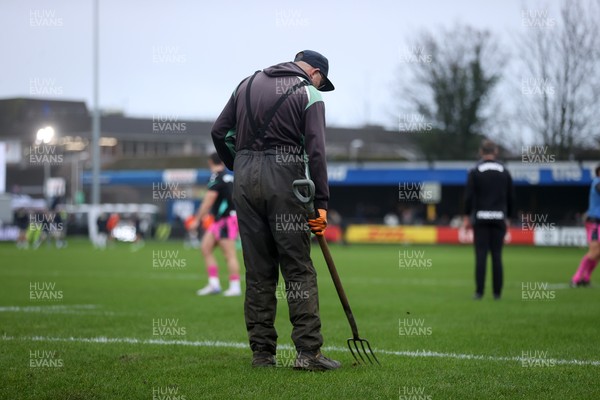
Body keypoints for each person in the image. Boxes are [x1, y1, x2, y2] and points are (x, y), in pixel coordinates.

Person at [211, 50, 339, 371]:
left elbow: (219, 132)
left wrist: (239, 165)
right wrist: (321, 204)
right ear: (316, 74)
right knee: (297, 268)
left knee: (258, 270)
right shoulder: (309, 93)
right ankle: (308, 353)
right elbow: (317, 152)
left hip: (244, 178)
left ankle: (262, 355)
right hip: (285, 180)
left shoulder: (246, 84)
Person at [463, 140, 515, 300]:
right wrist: (509, 216)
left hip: (481, 218)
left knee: (481, 255)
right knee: (497, 256)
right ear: (496, 151)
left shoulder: (475, 171)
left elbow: (469, 196)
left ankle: (479, 292)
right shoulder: (504, 171)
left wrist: (466, 216)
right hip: (499, 218)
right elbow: (511, 197)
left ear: (480, 152)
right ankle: (497, 293)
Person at [193, 153, 241, 297]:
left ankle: (235, 286)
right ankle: (214, 284)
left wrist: (196, 219)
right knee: (206, 248)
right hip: (223, 220)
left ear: (210, 162)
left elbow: (209, 200)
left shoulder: (216, 177)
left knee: (229, 254)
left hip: (225, 220)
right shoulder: (230, 176)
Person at [570, 164, 600, 287]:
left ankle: (586, 278)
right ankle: (576, 279)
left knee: (598, 253)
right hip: (594, 222)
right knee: (593, 252)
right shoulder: (597, 183)